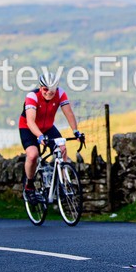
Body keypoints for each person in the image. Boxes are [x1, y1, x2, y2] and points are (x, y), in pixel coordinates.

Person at [19, 72, 83, 203]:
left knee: (62, 148)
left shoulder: (60, 93)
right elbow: (30, 121)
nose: (48, 93)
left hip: (47, 127)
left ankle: (63, 183)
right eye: (45, 89)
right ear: (40, 87)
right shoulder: (32, 96)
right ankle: (29, 186)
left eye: (52, 90)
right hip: (28, 128)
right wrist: (40, 136)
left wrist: (76, 132)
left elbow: (69, 113)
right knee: (33, 155)